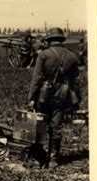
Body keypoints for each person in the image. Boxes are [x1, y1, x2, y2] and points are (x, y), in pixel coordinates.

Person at [27, 27, 81, 168]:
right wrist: (77, 100)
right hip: (62, 96)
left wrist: (31, 98)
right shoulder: (72, 56)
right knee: (56, 128)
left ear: (49, 40)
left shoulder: (44, 55)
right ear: (61, 40)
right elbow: (75, 81)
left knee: (39, 126)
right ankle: (53, 160)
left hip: (44, 97)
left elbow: (36, 79)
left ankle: (39, 158)